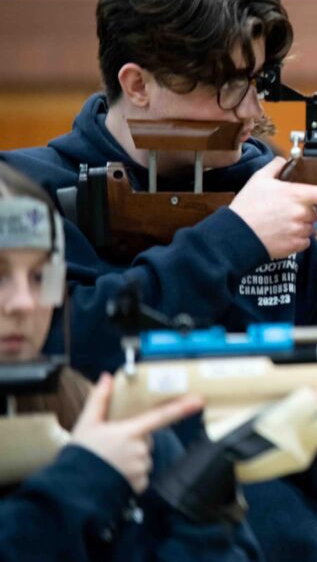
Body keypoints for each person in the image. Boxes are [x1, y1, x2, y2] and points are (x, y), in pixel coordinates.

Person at [1, 0, 317, 561]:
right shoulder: (26, 196)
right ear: (139, 84)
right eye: (225, 86)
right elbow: (62, 352)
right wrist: (233, 242)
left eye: (255, 82)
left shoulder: (276, 192)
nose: (251, 112)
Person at [0, 161, 261, 561]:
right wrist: (86, 477)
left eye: (39, 277)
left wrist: (198, 509)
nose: (23, 302)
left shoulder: (107, 415)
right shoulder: (101, 446)